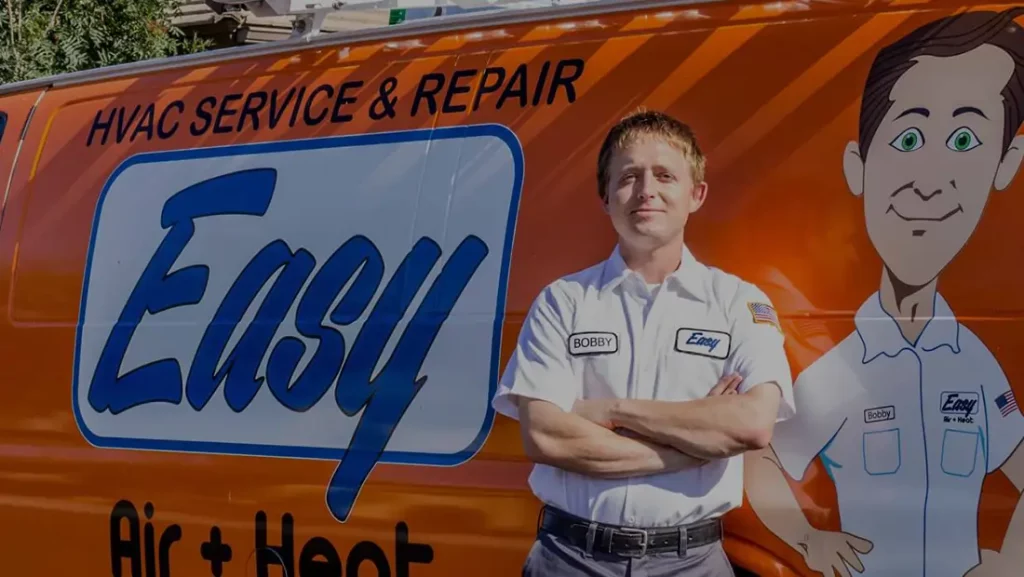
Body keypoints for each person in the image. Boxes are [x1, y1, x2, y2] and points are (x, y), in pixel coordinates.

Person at [744, 8, 1024, 577]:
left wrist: (1012, 561)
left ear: (1005, 165)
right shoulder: (838, 369)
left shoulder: (974, 364)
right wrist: (805, 541)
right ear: (859, 167)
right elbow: (761, 458)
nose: (929, 179)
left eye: (966, 139)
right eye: (910, 137)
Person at [491, 108, 796, 576]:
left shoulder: (737, 303)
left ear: (696, 194)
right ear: (606, 197)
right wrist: (690, 446)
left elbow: (751, 425)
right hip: (569, 558)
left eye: (664, 175)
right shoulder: (563, 302)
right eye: (628, 176)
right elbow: (546, 435)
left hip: (690, 562)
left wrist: (612, 412)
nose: (646, 190)